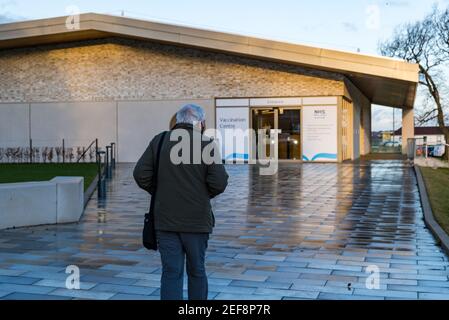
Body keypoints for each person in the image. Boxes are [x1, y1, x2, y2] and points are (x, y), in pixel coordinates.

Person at [133, 104, 229, 300]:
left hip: (166, 221)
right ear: (200, 123)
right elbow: (219, 182)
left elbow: (140, 174)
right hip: (196, 222)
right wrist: (202, 195)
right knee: (197, 272)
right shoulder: (206, 144)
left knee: (171, 273)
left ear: (177, 121)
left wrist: (160, 192)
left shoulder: (159, 141)